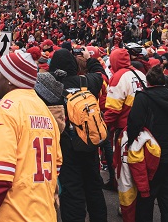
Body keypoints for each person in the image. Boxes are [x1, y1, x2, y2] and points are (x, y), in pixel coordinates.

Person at [0, 50, 62, 221]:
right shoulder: (45, 111)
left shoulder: (2, 111)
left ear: (11, 79)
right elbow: (55, 166)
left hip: (13, 214)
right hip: (43, 212)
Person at [49, 47, 107, 222]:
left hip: (66, 145)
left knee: (72, 190)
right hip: (90, 142)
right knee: (94, 187)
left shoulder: (52, 88)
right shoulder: (87, 81)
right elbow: (101, 74)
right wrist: (90, 58)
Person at [127, 65, 168, 221]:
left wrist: (131, 145)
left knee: (146, 195)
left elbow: (134, 124)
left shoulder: (143, 98)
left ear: (147, 82)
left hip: (152, 154)